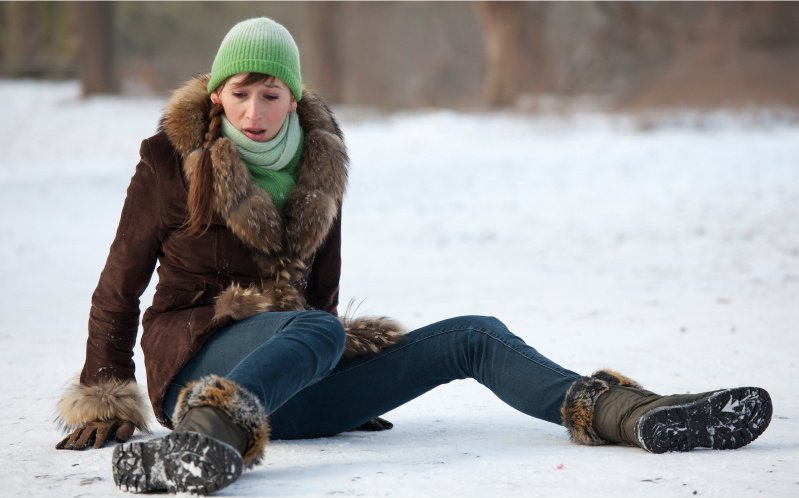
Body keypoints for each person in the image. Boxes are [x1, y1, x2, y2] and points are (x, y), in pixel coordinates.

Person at [54, 17, 773, 495]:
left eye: (269, 93)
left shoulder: (320, 166)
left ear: (292, 95)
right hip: (197, 370)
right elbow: (118, 286)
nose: (253, 110)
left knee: (473, 335)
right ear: (216, 96)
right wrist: (106, 394)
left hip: (287, 389)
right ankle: (205, 446)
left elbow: (318, 296)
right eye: (239, 93)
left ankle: (632, 414)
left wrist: (338, 376)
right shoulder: (167, 161)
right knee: (320, 329)